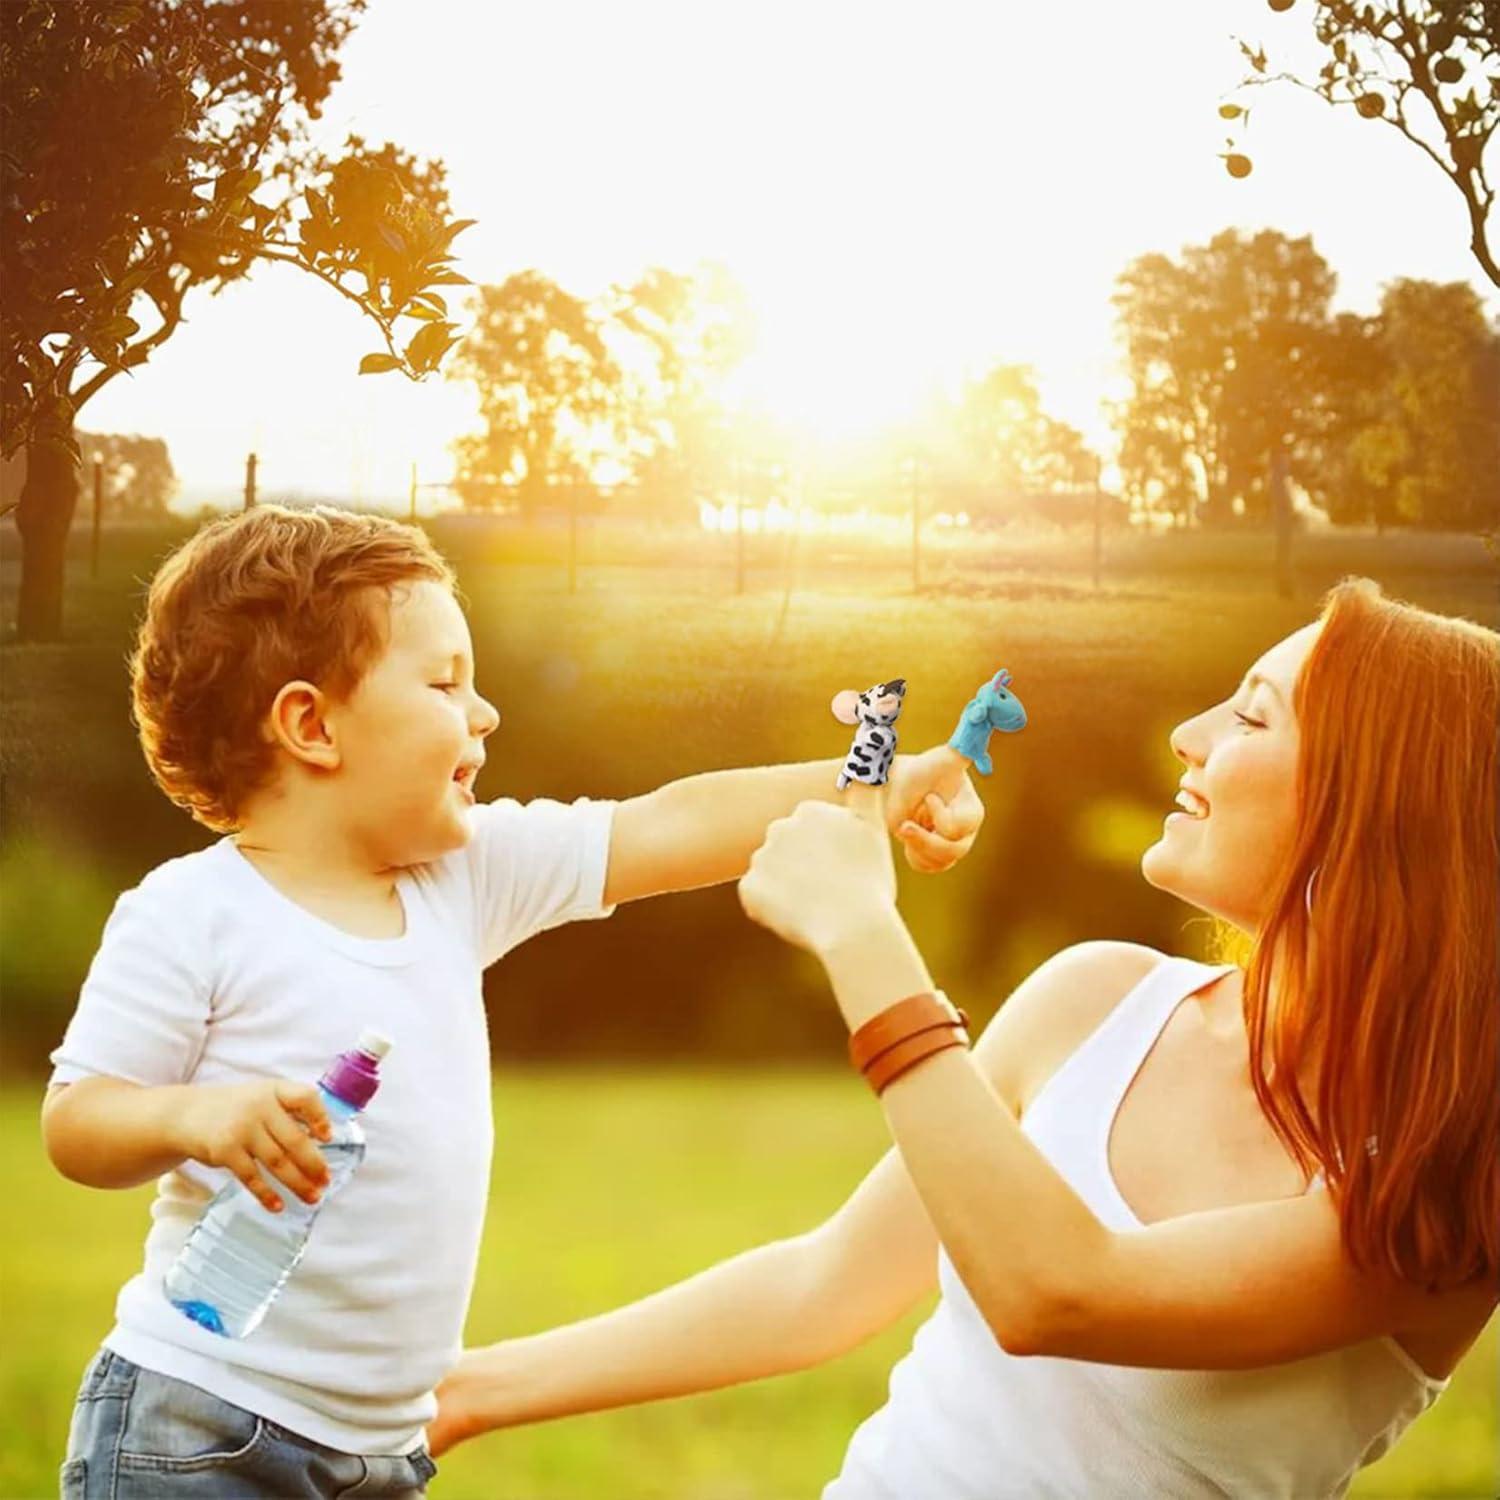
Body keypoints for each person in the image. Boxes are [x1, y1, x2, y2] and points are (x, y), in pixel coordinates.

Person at [431, 578, 1499, 1499]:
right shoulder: (1098, 1004)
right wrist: (469, 1393)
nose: (1193, 734)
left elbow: (1054, 1292)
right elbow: (824, 1286)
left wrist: (862, 935)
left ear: (1381, 804)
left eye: (1254, 719)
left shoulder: (1436, 1179)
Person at [41, 504, 983, 1499]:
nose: (483, 713)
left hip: (381, 1452)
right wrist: (196, 1114)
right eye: (445, 683)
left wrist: (885, 778)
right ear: (312, 724)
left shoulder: (463, 877)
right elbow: (78, 1121)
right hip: (196, 1429)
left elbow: (669, 824)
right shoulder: (193, 912)